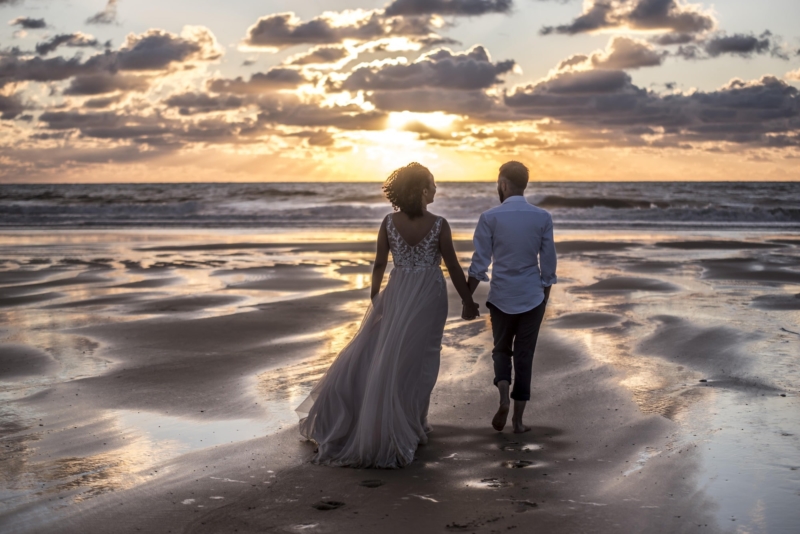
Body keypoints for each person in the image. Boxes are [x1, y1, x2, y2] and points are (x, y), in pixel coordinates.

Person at [297, 162, 480, 468]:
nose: (436, 189)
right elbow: (453, 267)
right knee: (421, 358)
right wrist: (468, 301)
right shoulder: (439, 224)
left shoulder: (388, 222)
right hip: (428, 295)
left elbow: (380, 264)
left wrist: (375, 297)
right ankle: (414, 424)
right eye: (433, 184)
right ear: (422, 190)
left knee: (393, 356)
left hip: (397, 291)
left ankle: (408, 421)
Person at [467, 161, 557, 434]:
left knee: (501, 350)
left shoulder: (489, 217)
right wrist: (544, 296)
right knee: (525, 356)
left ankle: (503, 396)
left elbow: (479, 263)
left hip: (501, 295)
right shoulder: (542, 217)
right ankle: (518, 422)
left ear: (503, 184)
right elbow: (549, 262)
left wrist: (466, 298)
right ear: (524, 184)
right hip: (531, 296)